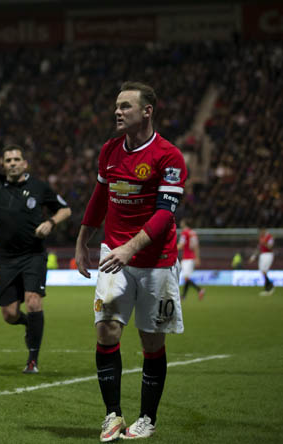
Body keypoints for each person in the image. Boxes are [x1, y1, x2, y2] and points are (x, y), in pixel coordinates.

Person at [74, 82, 187, 441]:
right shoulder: (109, 150)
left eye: (125, 106)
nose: (117, 112)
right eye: (116, 106)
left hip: (156, 261)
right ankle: (112, 415)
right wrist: (82, 242)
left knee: (151, 341)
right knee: (106, 328)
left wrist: (131, 249)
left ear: (147, 111)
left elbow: (165, 215)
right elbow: (99, 199)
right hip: (114, 255)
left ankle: (148, 419)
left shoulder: (169, 156)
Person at [0, 110, 71, 374]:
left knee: (33, 301)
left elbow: (65, 210)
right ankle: (29, 324)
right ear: (3, 164)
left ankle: (33, 359)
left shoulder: (40, 187)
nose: (13, 163)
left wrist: (50, 223)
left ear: (25, 164)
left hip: (33, 255)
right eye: (8, 160)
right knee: (9, 314)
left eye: (17, 159)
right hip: (6, 259)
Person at [177, 219, 205, 301]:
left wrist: (171, 248)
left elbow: (181, 245)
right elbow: (196, 246)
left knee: (186, 278)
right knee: (186, 277)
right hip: (191, 258)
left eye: (181, 222)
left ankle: (199, 290)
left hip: (187, 258)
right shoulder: (193, 233)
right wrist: (197, 258)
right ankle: (184, 296)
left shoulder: (184, 233)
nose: (180, 223)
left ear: (184, 223)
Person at [249, 229, 275, 296]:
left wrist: (264, 243)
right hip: (262, 255)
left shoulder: (269, 237)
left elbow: (270, 246)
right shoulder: (261, 238)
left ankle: (269, 287)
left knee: (264, 271)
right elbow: (259, 248)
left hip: (268, 254)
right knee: (262, 271)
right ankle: (269, 287)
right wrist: (253, 257)